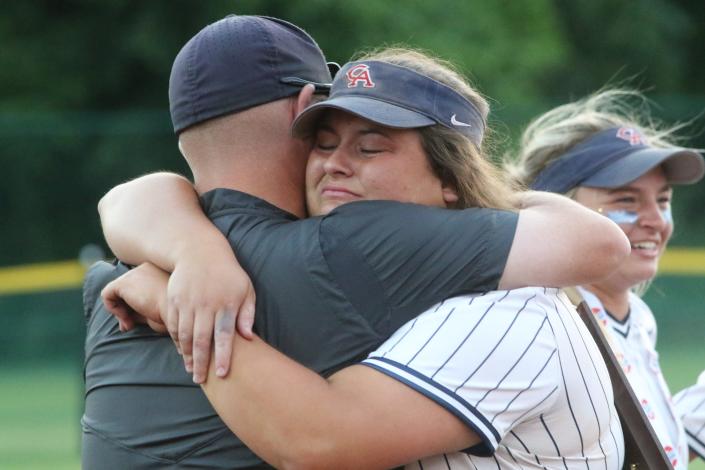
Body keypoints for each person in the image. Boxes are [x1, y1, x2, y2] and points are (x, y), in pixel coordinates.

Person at [99, 46, 628, 468]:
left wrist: (172, 300)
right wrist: (192, 250)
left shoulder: (505, 311)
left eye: (370, 148)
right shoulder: (344, 265)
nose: (334, 164)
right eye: (323, 144)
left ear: (449, 178)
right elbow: (133, 197)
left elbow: (319, 443)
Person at [507, 88, 705, 469]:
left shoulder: (638, 317)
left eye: (662, 200)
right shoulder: (538, 318)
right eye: (626, 201)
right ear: (559, 208)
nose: (655, 219)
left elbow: (645, 448)